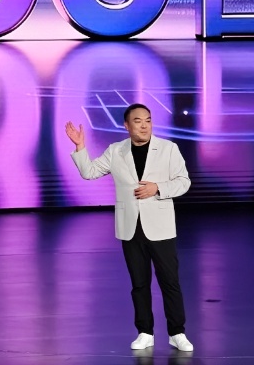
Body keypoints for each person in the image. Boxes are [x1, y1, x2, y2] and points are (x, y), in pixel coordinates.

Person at [66, 104, 194, 353]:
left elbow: (184, 181)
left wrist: (158, 188)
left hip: (160, 226)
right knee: (139, 283)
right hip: (130, 227)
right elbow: (89, 173)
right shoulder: (116, 151)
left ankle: (177, 332)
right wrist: (80, 147)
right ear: (126, 126)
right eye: (138, 121)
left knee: (170, 282)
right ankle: (145, 332)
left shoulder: (168, 148)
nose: (144, 125)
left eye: (148, 120)